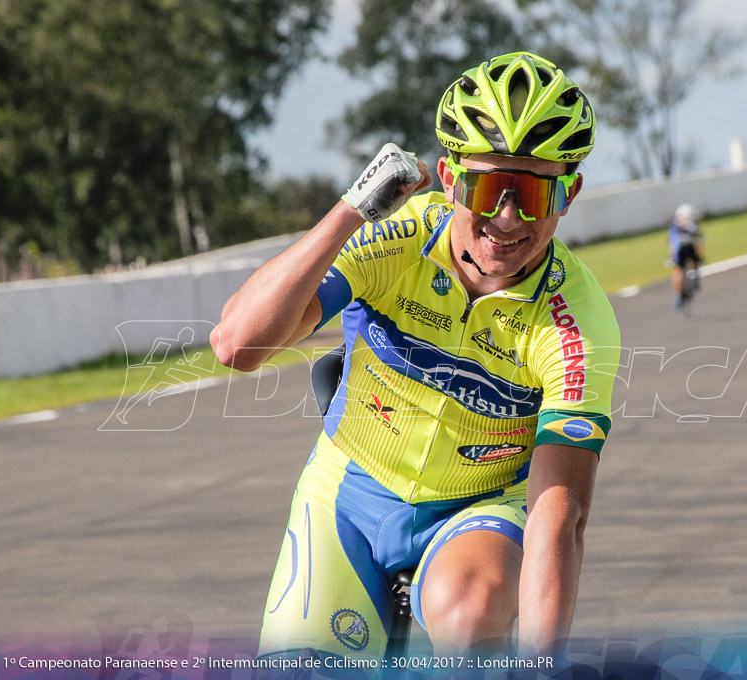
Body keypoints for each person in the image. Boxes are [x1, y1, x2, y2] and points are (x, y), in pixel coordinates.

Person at [210, 52, 620, 666]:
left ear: (571, 192)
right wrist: (351, 211)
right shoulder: (399, 238)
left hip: (478, 510)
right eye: (487, 187)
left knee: (470, 611)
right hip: (350, 486)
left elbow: (558, 518)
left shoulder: (576, 323)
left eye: (532, 193)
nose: (507, 217)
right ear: (450, 179)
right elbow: (238, 345)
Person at [667, 203, 703, 309]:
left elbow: (672, 243)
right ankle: (696, 278)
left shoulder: (674, 224)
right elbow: (699, 240)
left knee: (678, 270)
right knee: (696, 262)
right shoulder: (694, 222)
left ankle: (677, 297)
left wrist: (671, 258)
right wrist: (700, 257)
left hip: (679, 249)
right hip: (690, 247)